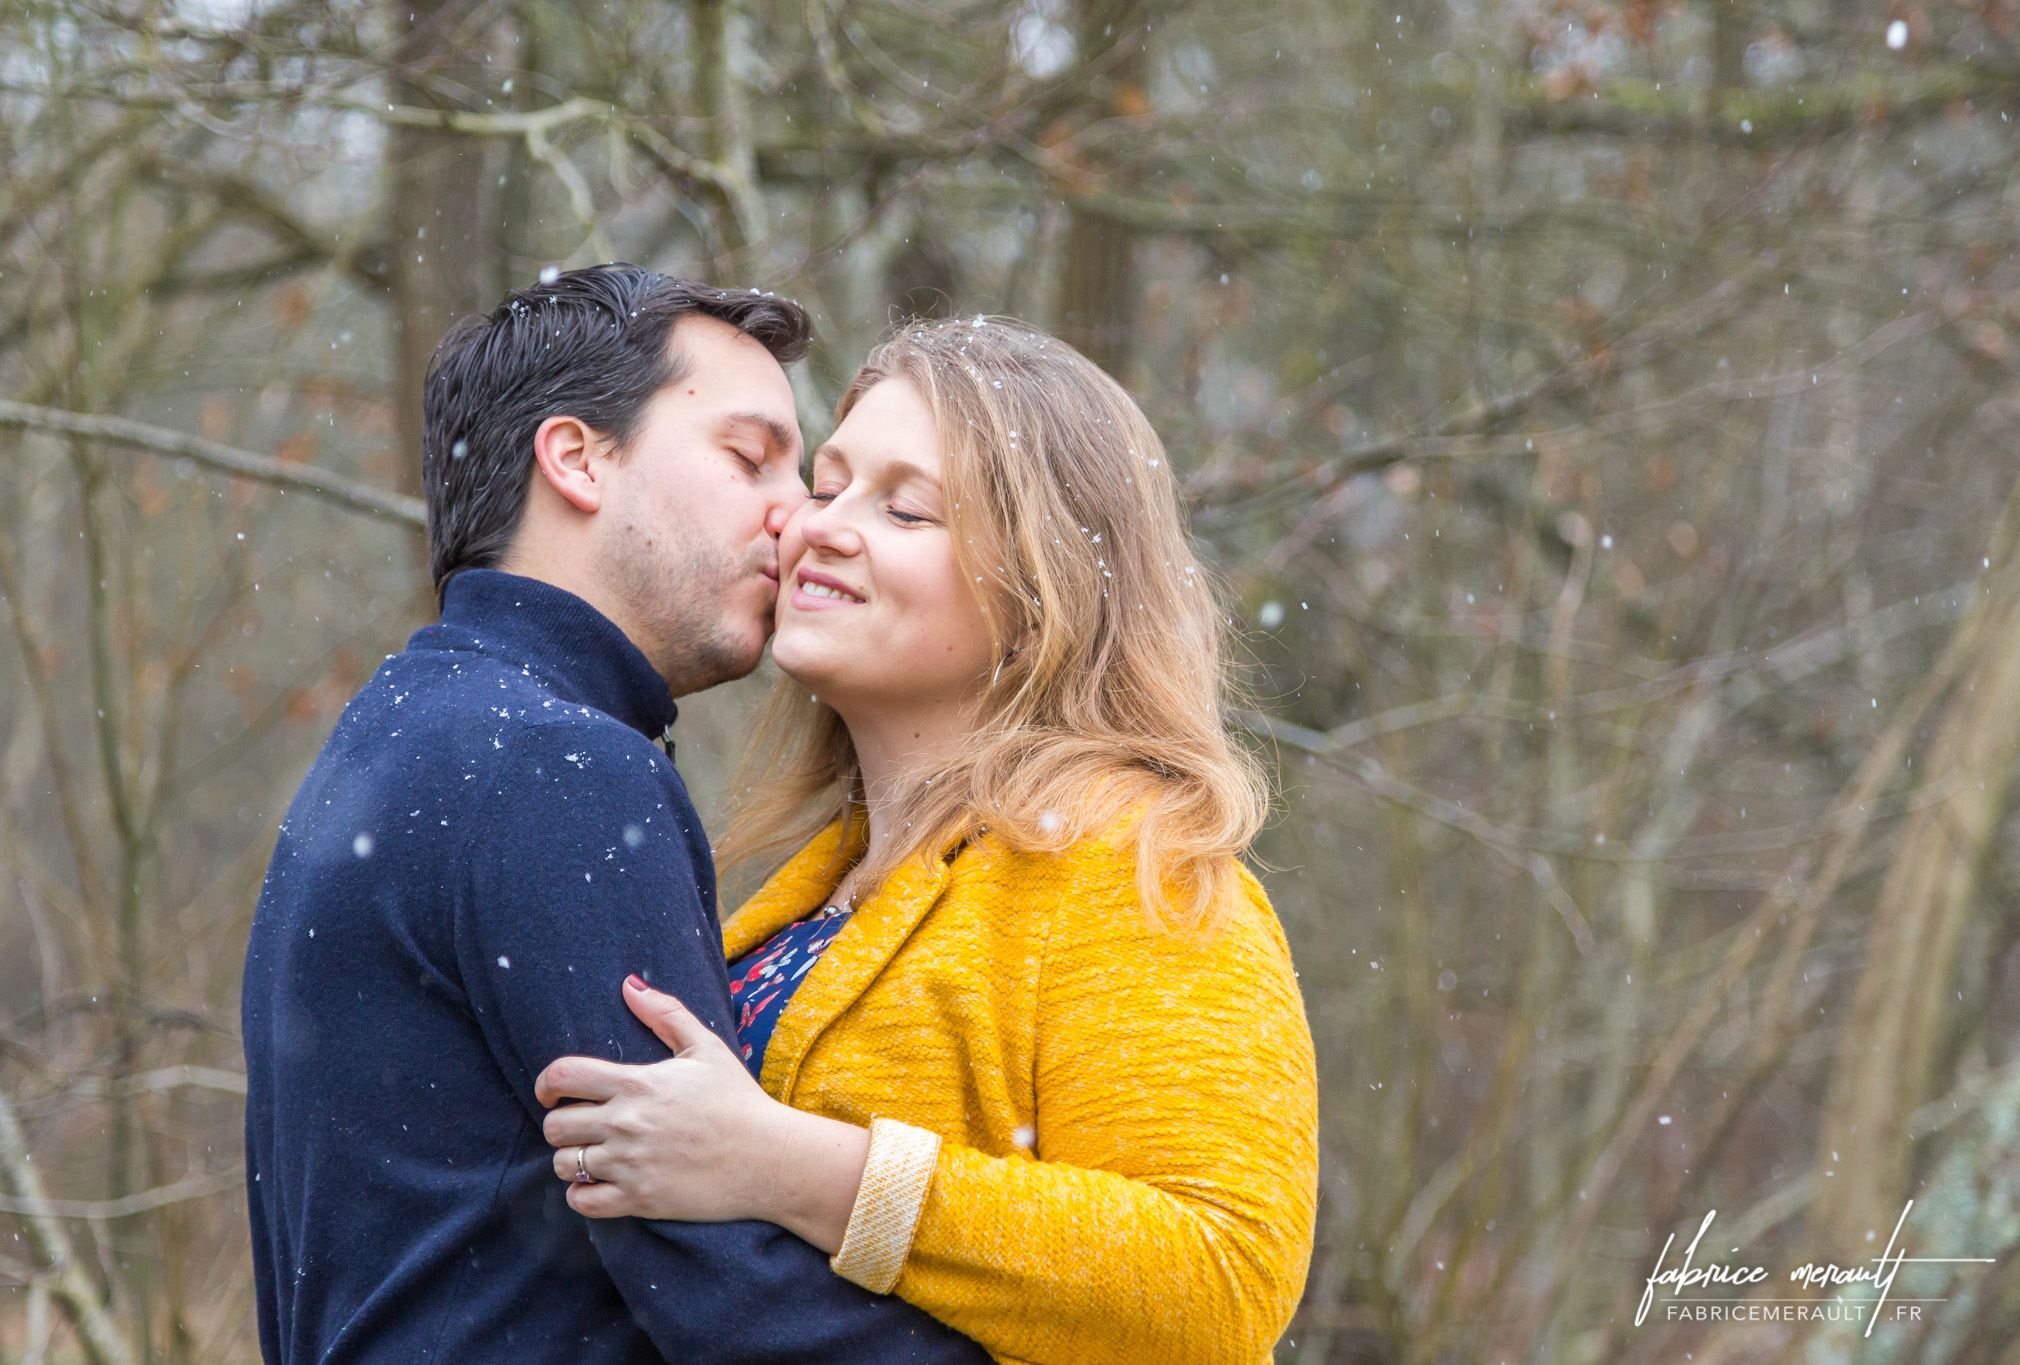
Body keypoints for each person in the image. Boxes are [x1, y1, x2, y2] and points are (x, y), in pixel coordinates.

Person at [534, 318, 1321, 1365]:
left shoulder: (1135, 867)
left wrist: (794, 1167)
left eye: (904, 507)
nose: (818, 527)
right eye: (826, 484)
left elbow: (1219, 1277)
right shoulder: (817, 892)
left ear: (1043, 596)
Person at [241, 265, 986, 1364]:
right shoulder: (552, 765)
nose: (798, 517)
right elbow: (718, 1278)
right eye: (749, 458)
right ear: (578, 459)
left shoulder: (397, 733)